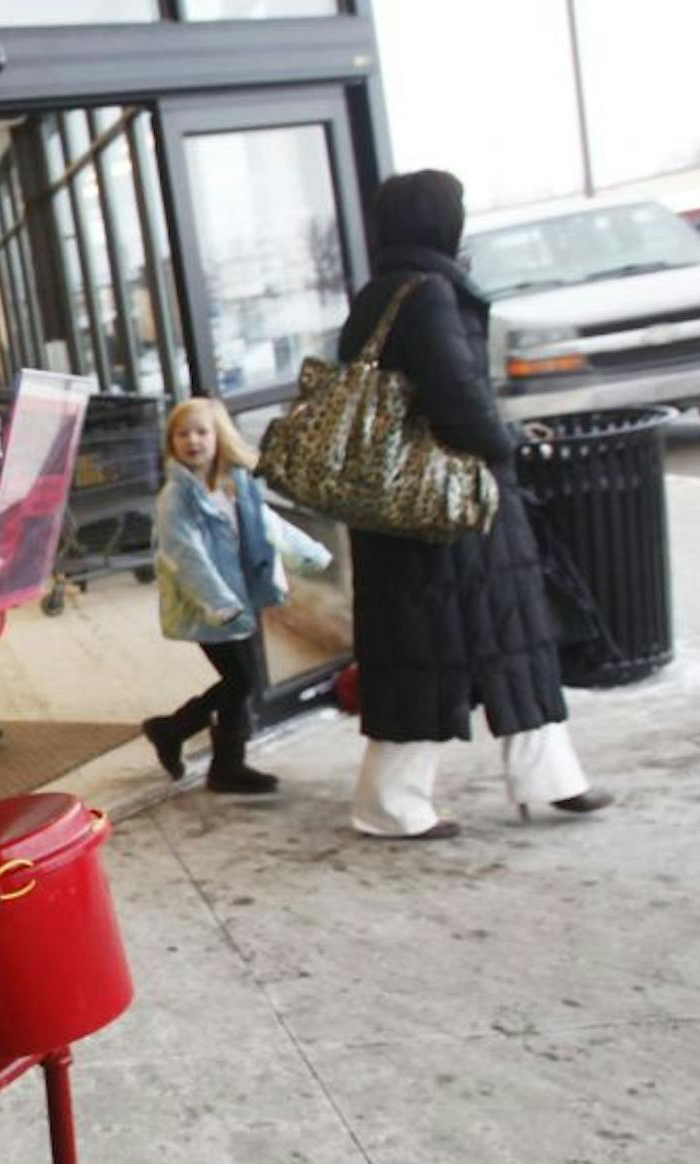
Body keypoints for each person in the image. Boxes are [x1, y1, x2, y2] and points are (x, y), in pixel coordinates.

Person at [335, 169, 612, 840]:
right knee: (447, 648)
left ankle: (551, 776)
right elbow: (458, 395)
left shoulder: (380, 293)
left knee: (501, 636)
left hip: (411, 511)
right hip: (448, 504)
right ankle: (390, 804)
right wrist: (503, 445)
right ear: (441, 223)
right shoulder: (428, 294)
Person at [142, 398, 331, 793]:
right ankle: (223, 764)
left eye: (201, 432)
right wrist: (219, 603)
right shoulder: (176, 497)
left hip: (239, 599)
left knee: (240, 679)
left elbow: (267, 524)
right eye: (182, 434)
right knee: (241, 678)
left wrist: (307, 552)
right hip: (204, 608)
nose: (192, 440)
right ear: (171, 442)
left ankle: (174, 730)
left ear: (219, 436)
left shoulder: (234, 483)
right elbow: (184, 555)